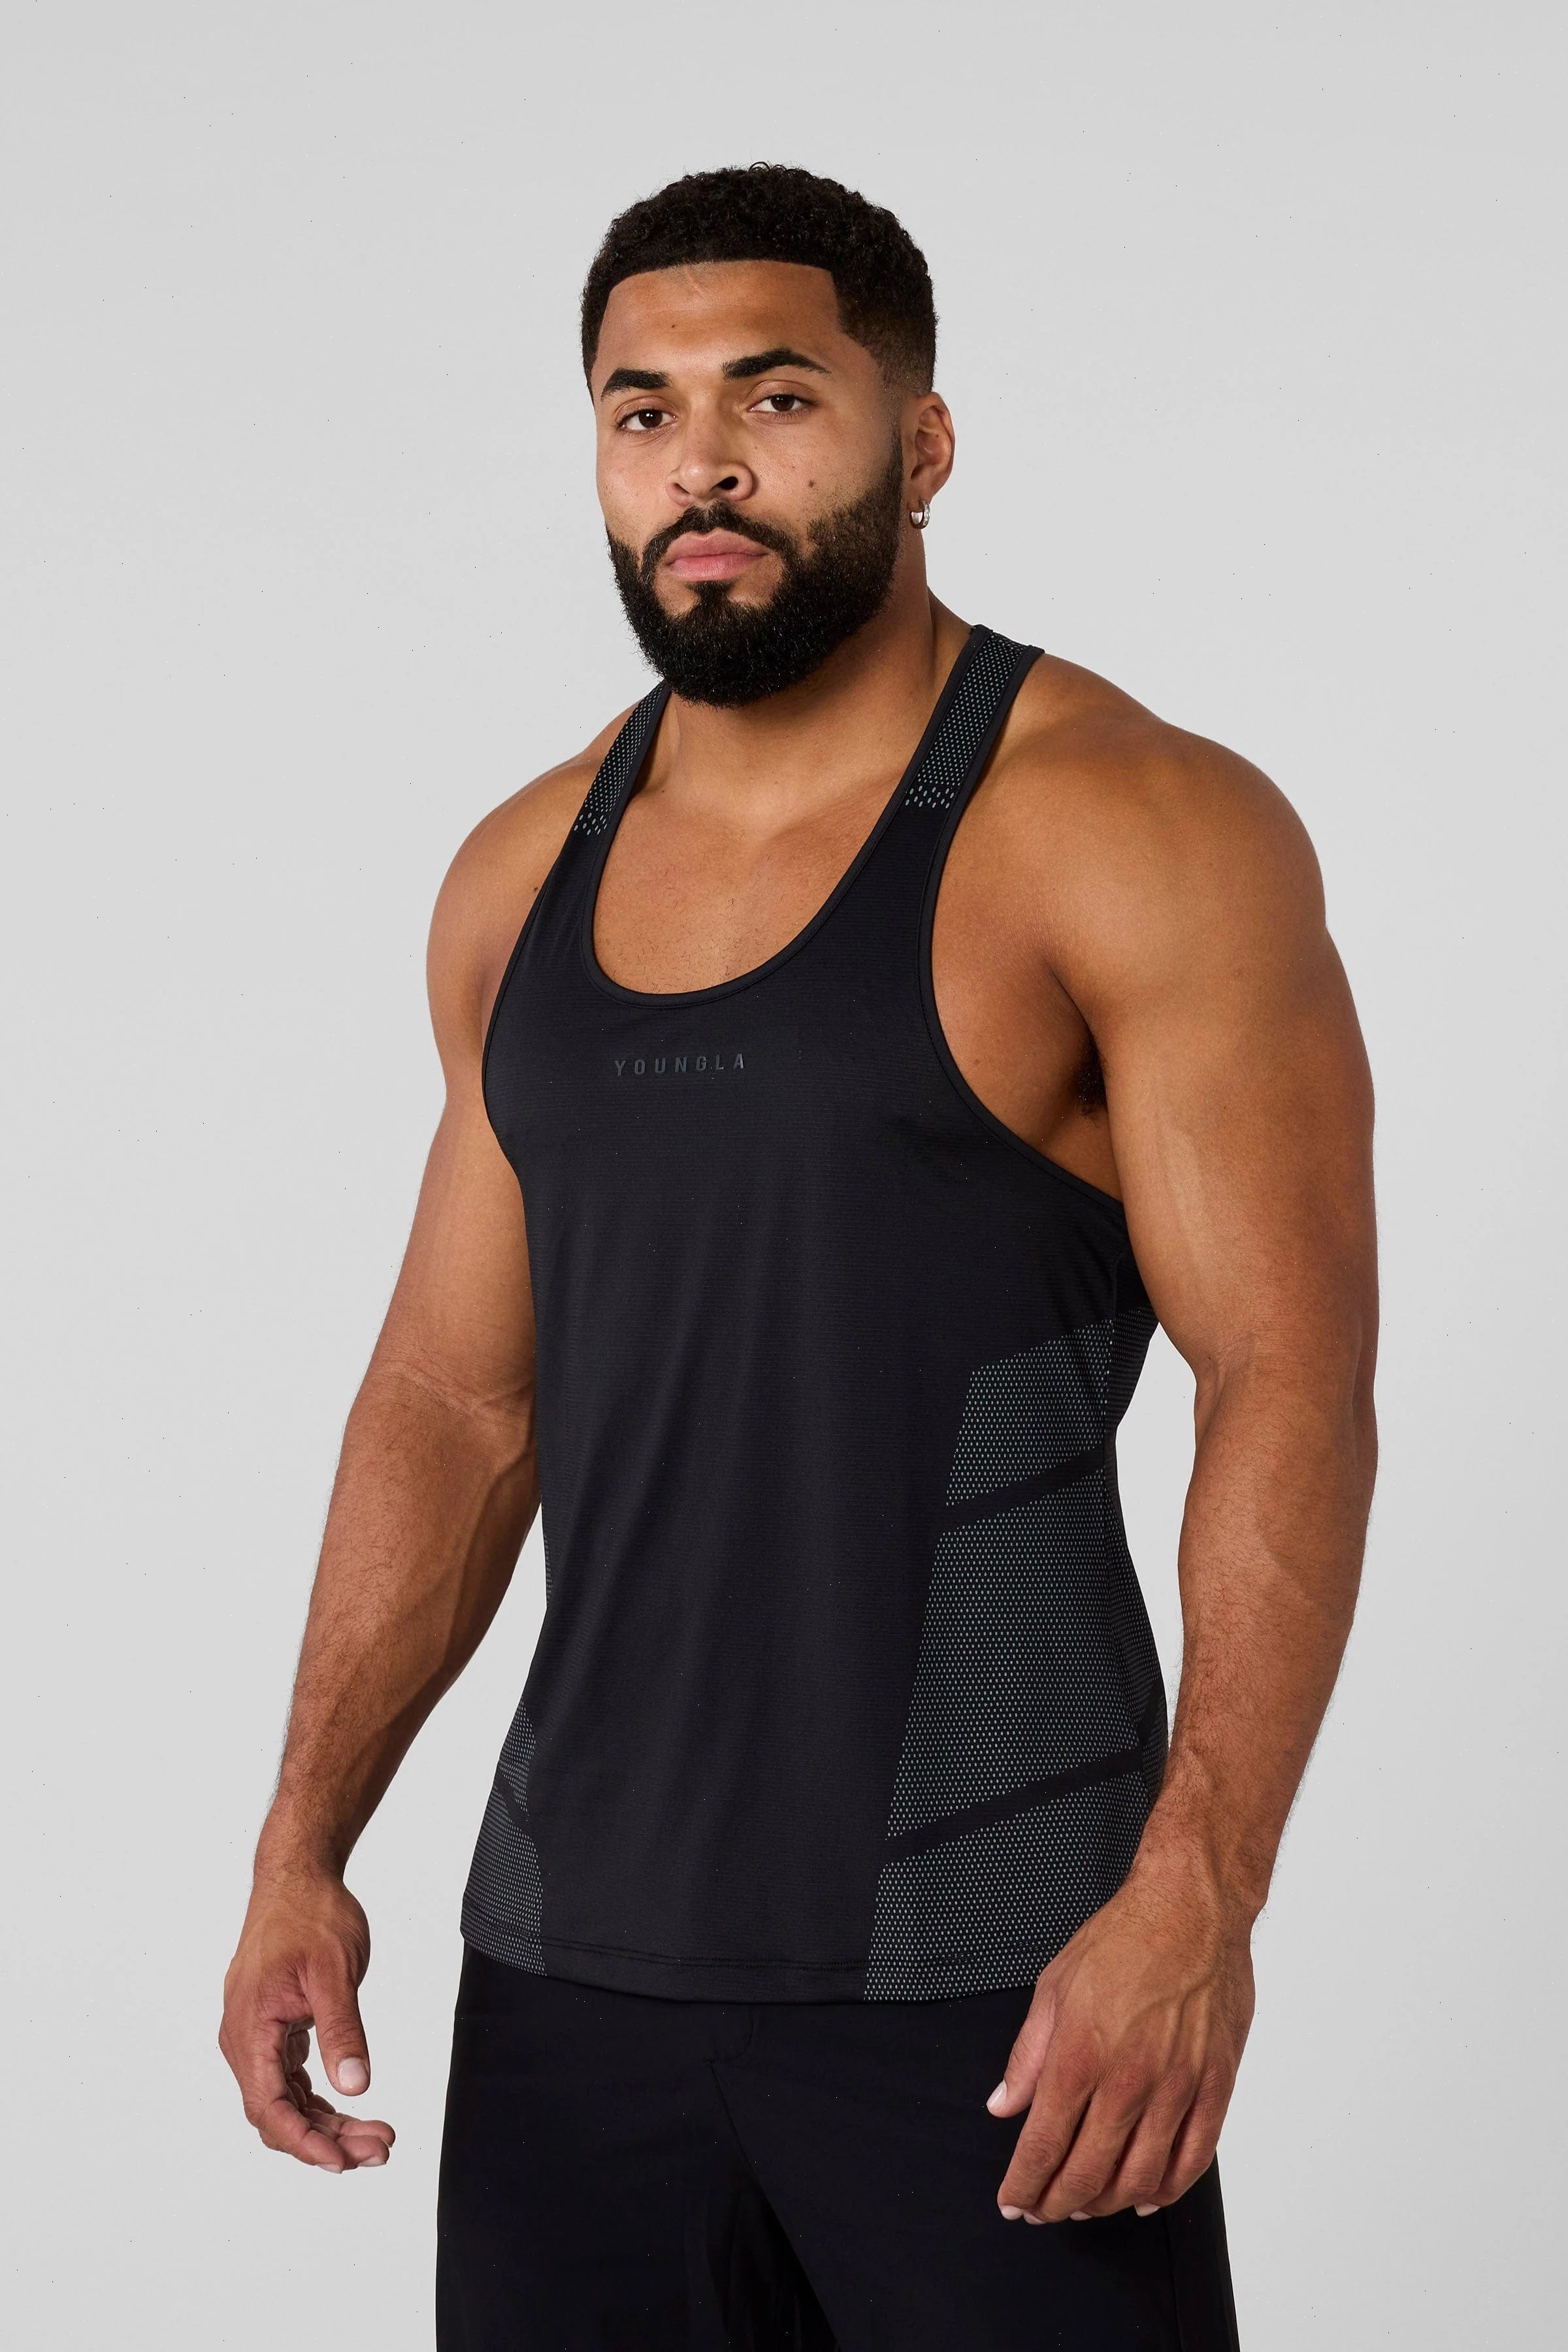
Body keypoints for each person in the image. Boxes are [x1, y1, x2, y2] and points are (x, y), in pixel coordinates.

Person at [220, 165, 1377, 2349]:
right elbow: (458, 1402)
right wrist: (303, 1841)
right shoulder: (520, 876)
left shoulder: (1131, 825)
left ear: (919, 445)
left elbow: (1288, 1377)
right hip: (568, 1985)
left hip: (1003, 1983)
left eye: (775, 399)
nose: (704, 466)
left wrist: (1200, 1892)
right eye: (641, 412)